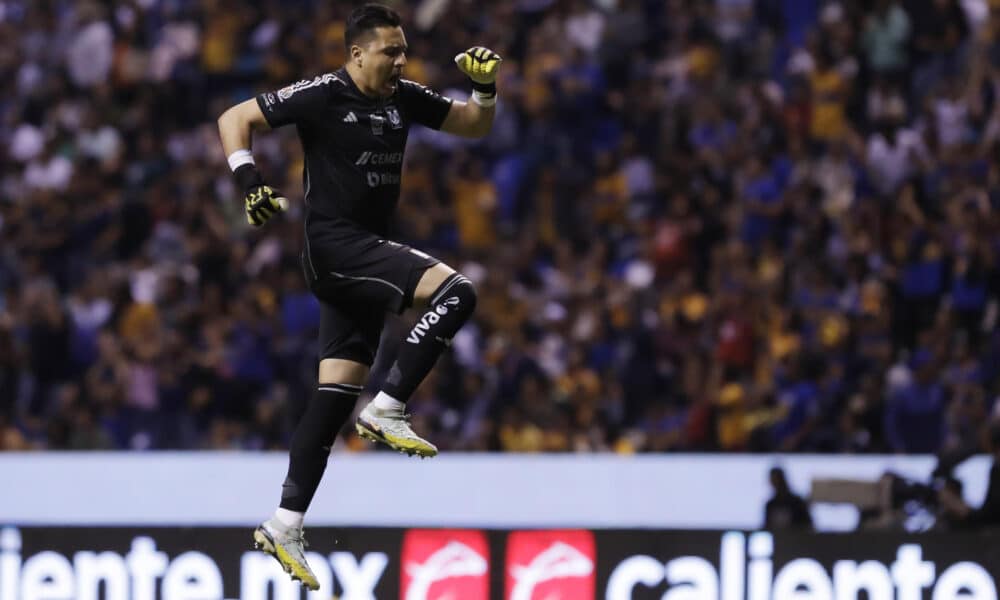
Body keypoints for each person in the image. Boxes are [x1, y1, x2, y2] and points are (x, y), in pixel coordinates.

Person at [216, 4, 501, 590]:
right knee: (457, 291)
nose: (401, 60)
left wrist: (486, 88)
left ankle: (285, 521)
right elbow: (234, 117)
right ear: (356, 54)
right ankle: (390, 404)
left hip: (362, 253)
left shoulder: (403, 97)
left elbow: (473, 124)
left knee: (331, 397)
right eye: (390, 51)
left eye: (403, 50)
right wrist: (249, 181)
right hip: (337, 247)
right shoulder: (323, 93)